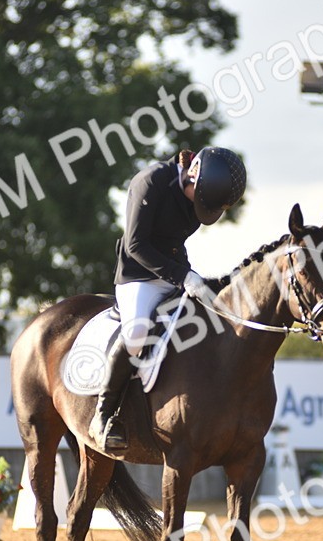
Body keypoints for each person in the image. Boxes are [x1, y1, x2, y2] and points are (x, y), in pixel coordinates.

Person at [89, 146, 247, 451]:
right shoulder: (150, 182)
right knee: (136, 333)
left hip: (176, 273)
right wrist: (184, 277)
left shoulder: (197, 192)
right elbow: (136, 244)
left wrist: (198, 279)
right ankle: (104, 415)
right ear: (193, 174)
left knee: (207, 322)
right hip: (138, 276)